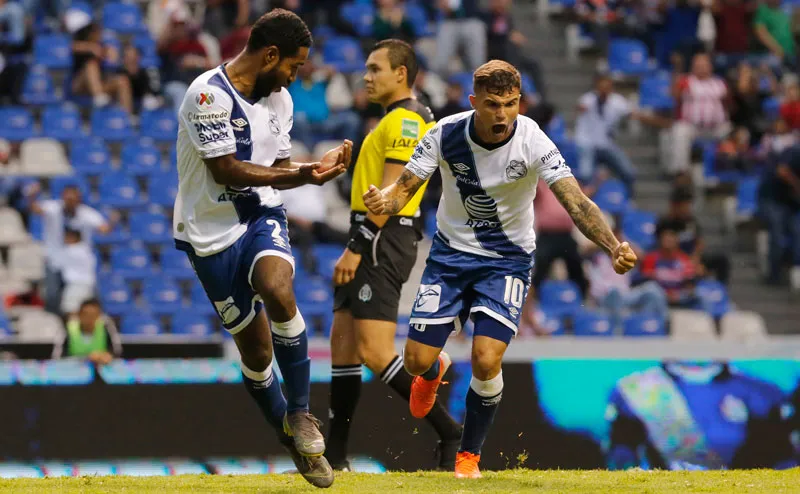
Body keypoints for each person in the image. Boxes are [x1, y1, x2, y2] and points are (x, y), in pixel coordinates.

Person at [362, 60, 638, 478]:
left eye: (511, 104)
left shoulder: (533, 139)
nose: (503, 114)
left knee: (486, 358)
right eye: (493, 104)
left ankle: (468, 456)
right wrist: (384, 201)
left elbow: (576, 202)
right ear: (474, 102)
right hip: (450, 257)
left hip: (507, 262)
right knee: (416, 361)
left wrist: (613, 245)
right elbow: (404, 188)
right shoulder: (444, 133)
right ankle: (434, 370)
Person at [172, 9, 352, 488]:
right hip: (209, 234)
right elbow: (226, 170)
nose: (296, 75)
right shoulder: (207, 94)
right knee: (255, 352)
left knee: (278, 287)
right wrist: (304, 174)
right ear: (270, 55)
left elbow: (278, 165)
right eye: (293, 65)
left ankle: (301, 413)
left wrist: (313, 168)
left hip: (259, 215)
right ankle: (287, 435)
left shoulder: (280, 101)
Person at [326, 39, 463, 472]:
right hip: (372, 233)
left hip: (381, 237)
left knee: (374, 351)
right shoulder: (391, 121)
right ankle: (335, 457)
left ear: (401, 73)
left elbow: (389, 197)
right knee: (344, 348)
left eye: (375, 69)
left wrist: (355, 247)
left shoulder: (406, 120)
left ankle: (450, 431)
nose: (366, 77)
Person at [668, 52, 731, 177]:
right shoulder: (686, 81)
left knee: (732, 131)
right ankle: (681, 172)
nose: (701, 68)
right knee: (679, 131)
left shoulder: (720, 83)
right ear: (693, 67)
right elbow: (674, 95)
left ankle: (727, 169)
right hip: (693, 128)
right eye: (698, 65)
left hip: (716, 128)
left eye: (704, 65)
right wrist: (677, 71)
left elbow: (729, 104)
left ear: (710, 67)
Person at [52, 298, 122, 364]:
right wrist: (87, 358)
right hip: (73, 371)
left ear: (99, 316)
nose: (89, 319)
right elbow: (57, 357)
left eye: (93, 315)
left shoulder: (106, 327)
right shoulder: (68, 329)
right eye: (86, 314)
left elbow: (116, 353)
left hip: (101, 370)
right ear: (79, 315)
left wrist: (108, 356)